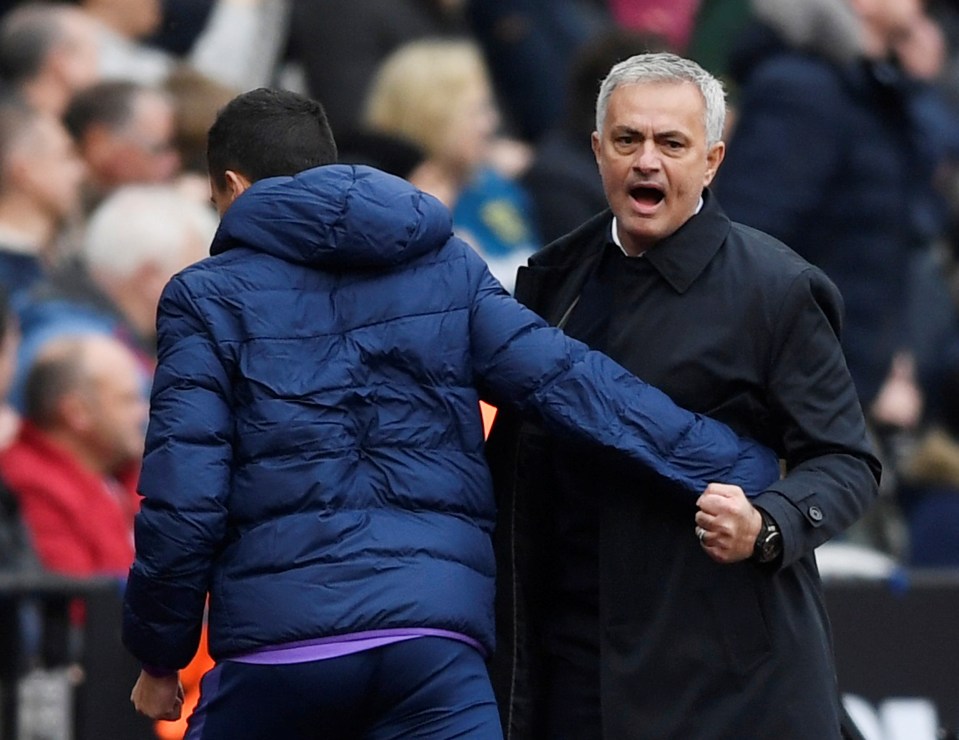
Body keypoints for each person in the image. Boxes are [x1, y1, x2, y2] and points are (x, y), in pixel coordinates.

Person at [121, 87, 782, 737]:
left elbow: (186, 499)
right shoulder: (444, 266)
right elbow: (574, 386)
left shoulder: (204, 298)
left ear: (231, 187)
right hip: (433, 651)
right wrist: (747, 467)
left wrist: (160, 655)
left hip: (280, 657)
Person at [484, 52, 881, 738]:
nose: (646, 162)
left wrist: (768, 525)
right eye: (627, 140)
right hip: (570, 667)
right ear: (595, 150)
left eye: (671, 144)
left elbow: (846, 461)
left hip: (718, 678)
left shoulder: (776, 289)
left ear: (711, 161)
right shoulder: (555, 275)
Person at [0, 333, 145, 577]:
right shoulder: (30, 484)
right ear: (77, 412)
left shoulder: (124, 473)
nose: (142, 413)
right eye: (127, 400)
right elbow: (78, 606)